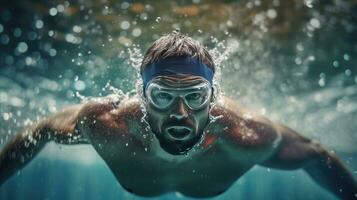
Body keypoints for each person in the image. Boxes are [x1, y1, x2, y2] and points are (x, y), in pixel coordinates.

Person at [0, 33, 356, 199]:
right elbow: (40, 131)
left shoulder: (247, 135)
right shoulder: (106, 124)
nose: (180, 112)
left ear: (213, 96)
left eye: (196, 96)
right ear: (142, 96)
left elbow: (315, 153)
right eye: (163, 95)